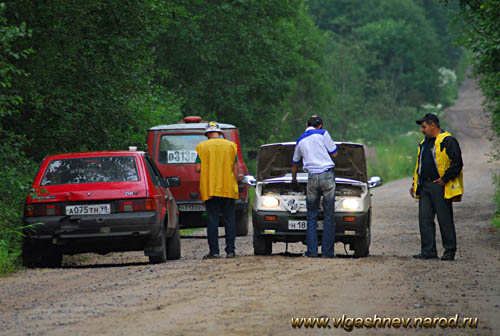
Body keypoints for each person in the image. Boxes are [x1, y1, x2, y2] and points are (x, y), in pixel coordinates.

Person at [409, 113, 464, 261]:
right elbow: (419, 165)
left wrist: (445, 179)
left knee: (444, 219)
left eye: (424, 126)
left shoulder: (447, 140)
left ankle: (449, 251)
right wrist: (415, 183)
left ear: (433, 125)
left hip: (440, 186)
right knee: (424, 219)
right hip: (425, 186)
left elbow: (457, 162)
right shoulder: (424, 143)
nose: (422, 129)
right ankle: (428, 251)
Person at [291, 115, 338, 258]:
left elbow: (294, 163)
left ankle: (311, 252)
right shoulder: (323, 134)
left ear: (306, 125)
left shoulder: (300, 139)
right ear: (320, 125)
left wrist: (294, 181)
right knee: (329, 216)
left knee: (311, 216)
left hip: (311, 178)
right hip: (327, 176)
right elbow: (335, 154)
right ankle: (327, 252)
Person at [195, 121, 242, 259]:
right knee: (229, 219)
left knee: (212, 220)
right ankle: (230, 251)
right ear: (219, 133)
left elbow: (197, 168)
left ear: (208, 134)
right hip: (228, 187)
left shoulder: (202, 147)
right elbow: (236, 168)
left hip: (210, 188)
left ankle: (214, 252)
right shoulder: (231, 146)